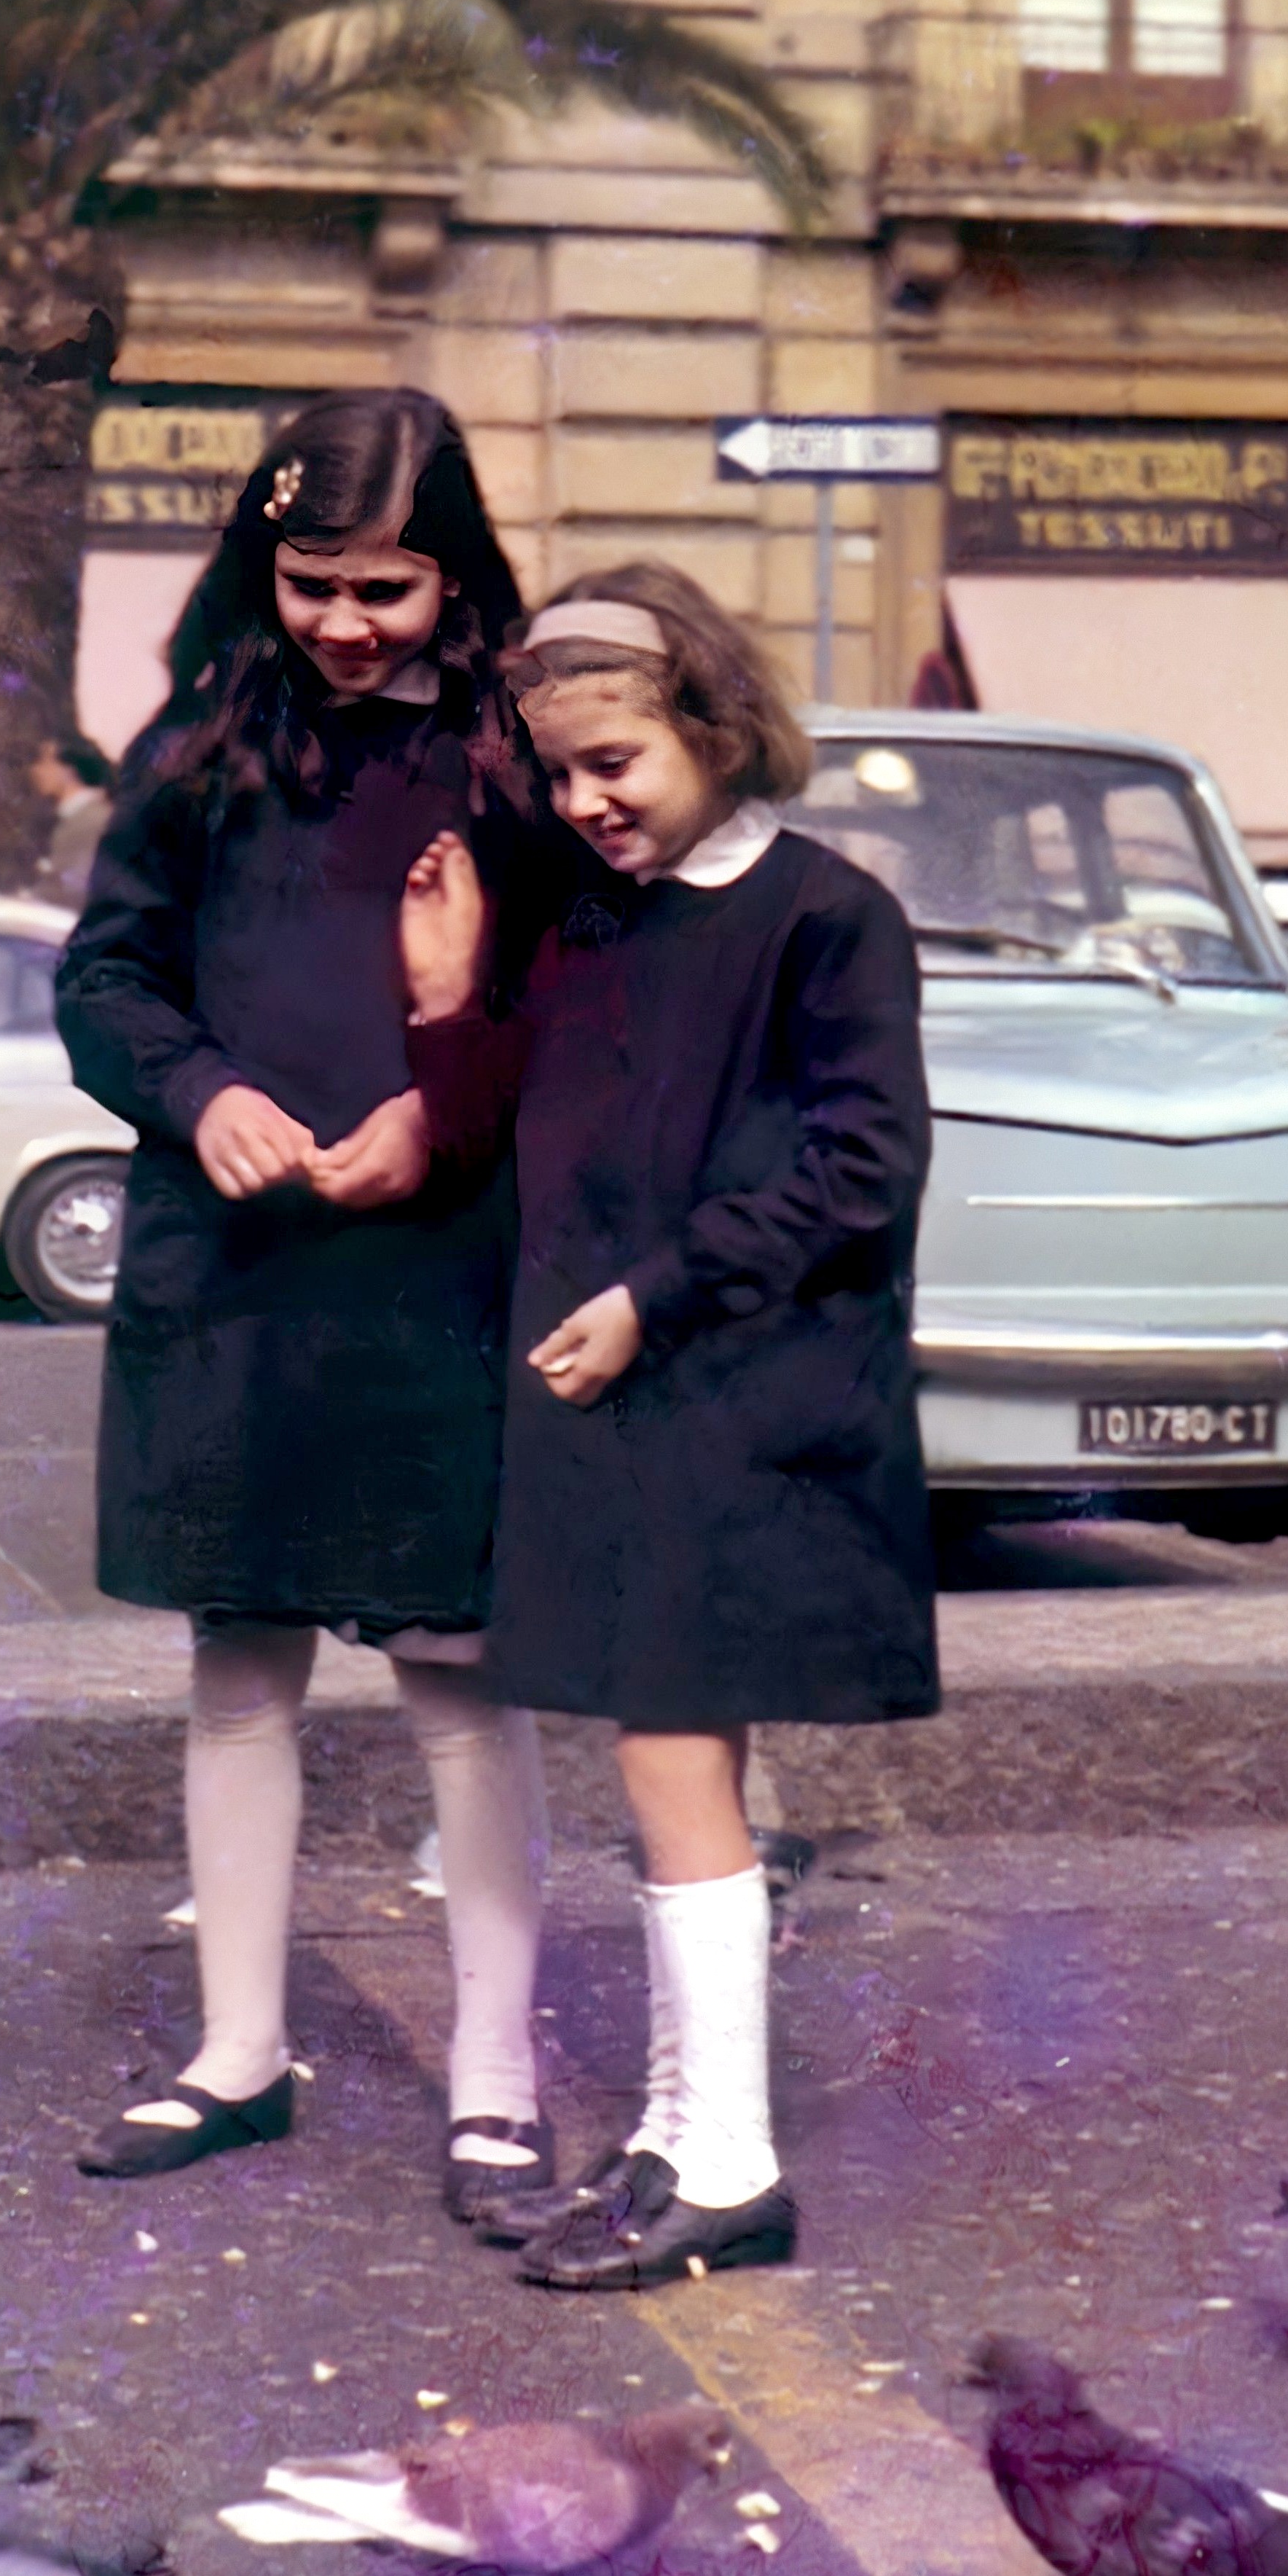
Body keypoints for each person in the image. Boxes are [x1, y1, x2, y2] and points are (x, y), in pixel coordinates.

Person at [398, 563, 937, 2290]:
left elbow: (861, 1165)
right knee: (655, 1759)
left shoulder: (822, 910)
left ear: (713, 721)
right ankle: (674, 2128)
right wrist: (443, 996)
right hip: (637, 1396)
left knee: (669, 1758)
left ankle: (726, 2155)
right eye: (558, 775)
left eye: (614, 758)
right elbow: (513, 1131)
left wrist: (658, 1290)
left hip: (742, 1394)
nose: (582, 801)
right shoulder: (587, 917)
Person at [55, 388, 563, 2209]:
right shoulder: (193, 744)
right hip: (235, 1261)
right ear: (257, 564)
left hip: (440, 1267)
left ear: (459, 575)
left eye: (389, 586)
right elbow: (103, 983)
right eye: (311, 580)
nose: (346, 622)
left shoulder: (519, 754)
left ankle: (494, 2073)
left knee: (456, 1678)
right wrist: (201, 1092)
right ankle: (234, 2050)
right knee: (237, 1664)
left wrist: (439, 1107)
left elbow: (581, 993)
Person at [28, 734, 115, 906]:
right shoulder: (76, 817)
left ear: (68, 771)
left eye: (45, 762)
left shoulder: (93, 820)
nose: (36, 771)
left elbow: (75, 888)